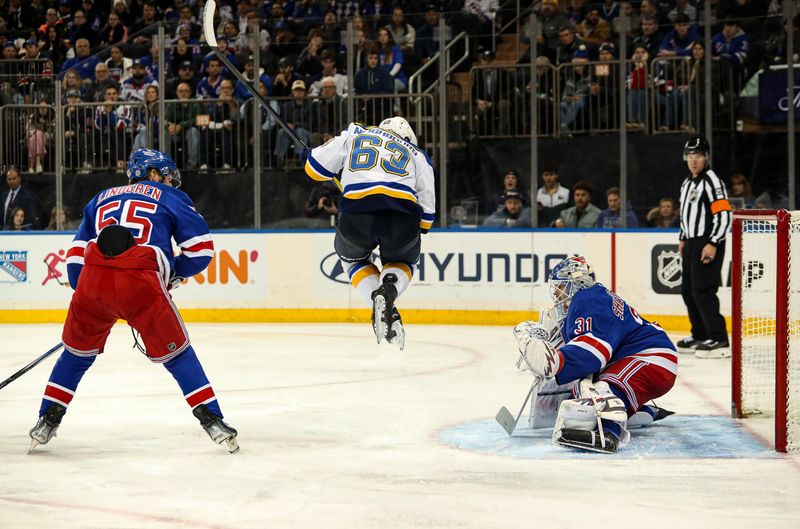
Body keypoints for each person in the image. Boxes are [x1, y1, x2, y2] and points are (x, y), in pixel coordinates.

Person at [28, 148, 238, 454]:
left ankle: (46, 421)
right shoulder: (169, 197)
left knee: (75, 356)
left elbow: (75, 256)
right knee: (178, 356)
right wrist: (167, 275)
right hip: (141, 281)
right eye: (165, 176)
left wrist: (86, 293)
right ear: (152, 174)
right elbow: (201, 250)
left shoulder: (99, 198)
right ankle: (213, 421)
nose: (168, 182)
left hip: (93, 280)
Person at [512, 256, 678, 453]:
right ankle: (642, 412)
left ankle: (608, 433)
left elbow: (593, 352)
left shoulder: (587, 299)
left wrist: (556, 361)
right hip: (644, 358)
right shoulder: (591, 299)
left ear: (578, 283)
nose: (557, 295)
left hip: (651, 357)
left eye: (561, 288)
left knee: (602, 388)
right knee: (583, 392)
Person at [303, 117, 435, 350]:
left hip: (357, 213)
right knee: (403, 261)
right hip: (402, 216)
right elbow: (426, 218)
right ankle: (389, 288)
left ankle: (383, 307)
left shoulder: (356, 133)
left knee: (351, 259)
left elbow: (314, 169)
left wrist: (312, 156)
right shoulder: (417, 154)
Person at [676, 136, 732, 358]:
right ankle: (699, 334)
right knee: (688, 290)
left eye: (698, 155)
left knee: (703, 290)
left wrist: (713, 242)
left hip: (707, 241)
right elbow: (685, 216)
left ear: (706, 157)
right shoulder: (687, 183)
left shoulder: (712, 181)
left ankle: (719, 339)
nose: (693, 160)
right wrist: (683, 238)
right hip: (691, 242)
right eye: (690, 155)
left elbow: (724, 215)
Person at [536, 163, 570, 227]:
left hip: (561, 228)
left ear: (556, 175)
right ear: (542, 176)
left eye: (551, 175)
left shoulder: (566, 192)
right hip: (544, 229)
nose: (548, 177)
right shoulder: (538, 193)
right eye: (546, 175)